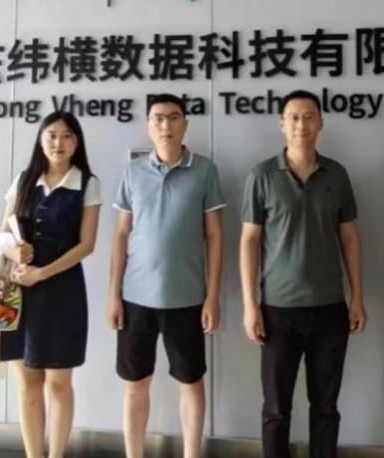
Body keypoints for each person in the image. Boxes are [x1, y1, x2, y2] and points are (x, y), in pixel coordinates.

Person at [240, 89, 366, 458]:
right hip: (277, 310)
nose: (301, 124)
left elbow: (350, 237)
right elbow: (249, 240)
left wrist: (357, 297)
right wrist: (250, 305)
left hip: (330, 309)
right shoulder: (262, 175)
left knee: (326, 406)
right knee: (276, 409)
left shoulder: (336, 175)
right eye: (293, 117)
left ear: (321, 124)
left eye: (309, 117)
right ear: (281, 125)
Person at [106, 93, 225, 458]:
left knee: (191, 380)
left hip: (187, 298)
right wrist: (113, 295)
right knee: (135, 383)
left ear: (185, 124)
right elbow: (121, 233)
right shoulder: (133, 172)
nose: (165, 125)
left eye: (173, 118)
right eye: (158, 118)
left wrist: (212, 296)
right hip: (135, 298)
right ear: (148, 126)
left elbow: (215, 235)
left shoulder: (205, 170)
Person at [0, 111, 101, 458]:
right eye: (52, 135)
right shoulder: (24, 180)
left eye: (67, 135)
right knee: (28, 382)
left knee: (59, 383)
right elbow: (2, 234)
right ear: (41, 140)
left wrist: (41, 273)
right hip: (18, 291)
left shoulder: (87, 183)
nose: (59, 142)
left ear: (77, 142)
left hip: (62, 292)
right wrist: (14, 251)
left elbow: (87, 245)